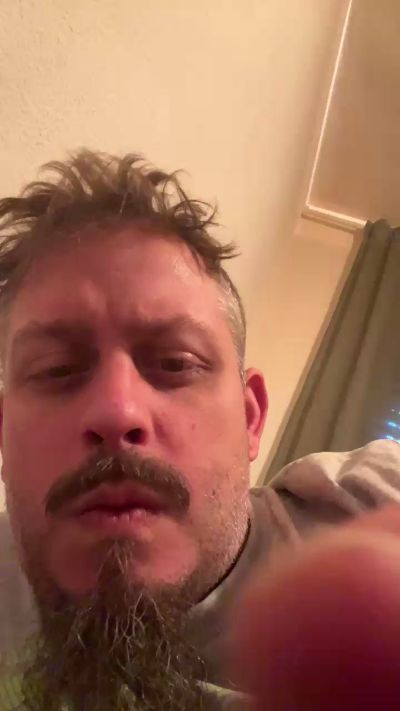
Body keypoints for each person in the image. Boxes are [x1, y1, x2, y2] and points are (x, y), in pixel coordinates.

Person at [0, 150, 399, 710]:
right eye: (57, 370)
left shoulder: (363, 505)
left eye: (175, 363)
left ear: (250, 417)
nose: (117, 411)